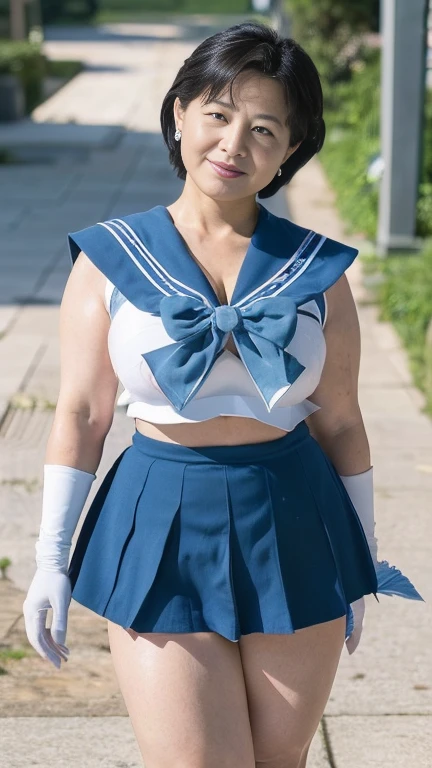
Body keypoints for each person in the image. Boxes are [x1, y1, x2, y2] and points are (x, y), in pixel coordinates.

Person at [22, 21, 424, 768]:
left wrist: (362, 561)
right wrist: (50, 556)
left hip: (295, 516)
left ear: (290, 152)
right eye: (218, 114)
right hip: (159, 515)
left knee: (279, 762)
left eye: (265, 128)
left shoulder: (317, 272)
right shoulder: (111, 259)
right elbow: (82, 412)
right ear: (179, 113)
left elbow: (341, 421)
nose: (235, 144)